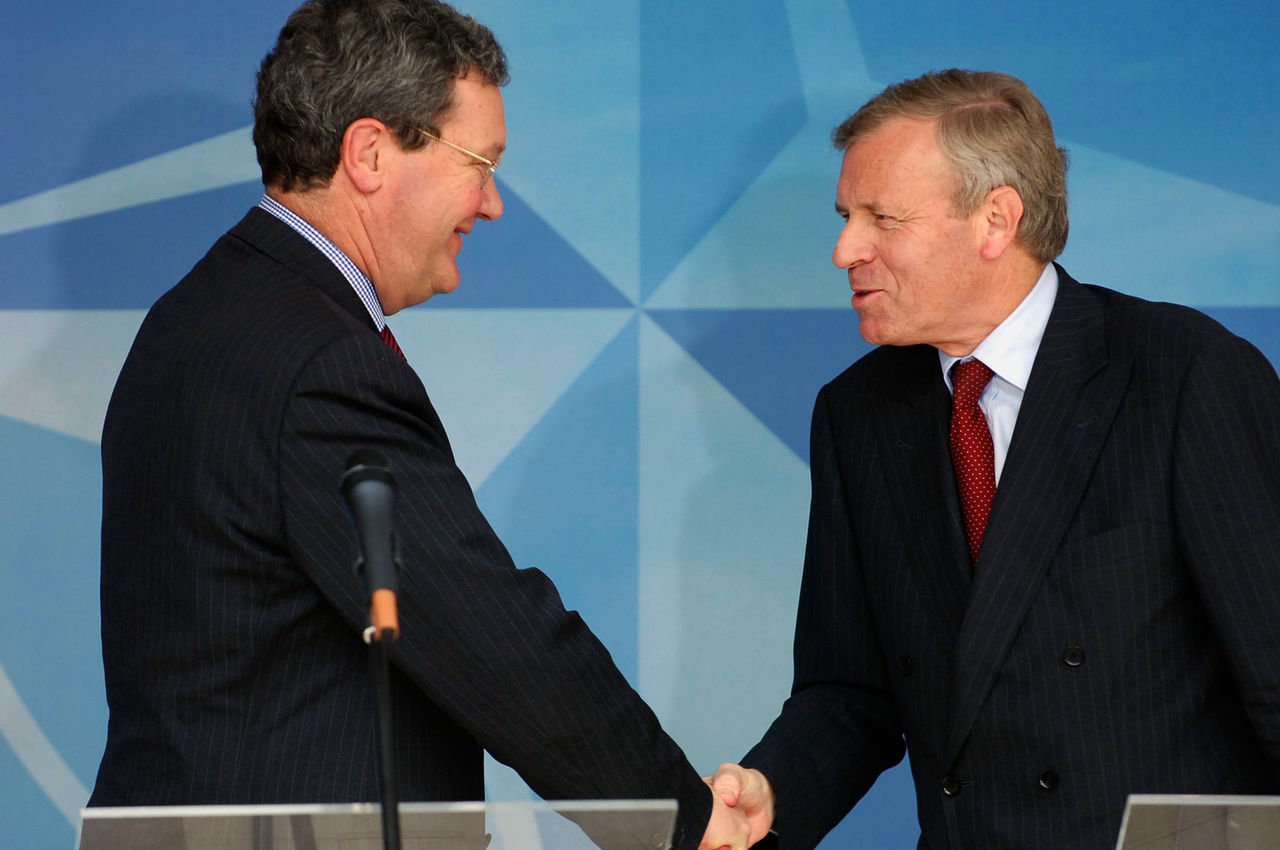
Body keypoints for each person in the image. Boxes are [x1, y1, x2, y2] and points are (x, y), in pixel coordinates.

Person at [86, 2, 750, 848]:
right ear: (369, 153)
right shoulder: (322, 363)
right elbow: (492, 640)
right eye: (479, 162)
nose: (493, 203)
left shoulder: (197, 314)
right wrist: (686, 822)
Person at [710, 69, 1280, 849]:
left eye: (883, 217)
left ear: (996, 220)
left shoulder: (1184, 375)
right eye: (847, 216)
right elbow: (850, 692)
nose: (846, 248)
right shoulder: (857, 415)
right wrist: (771, 792)